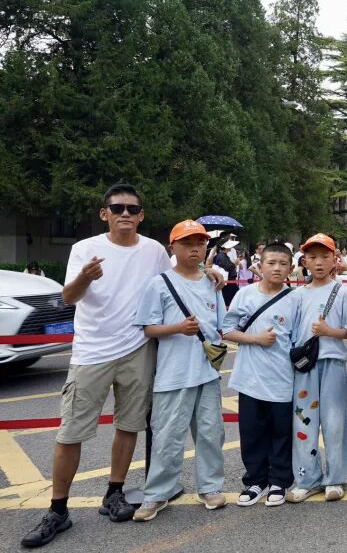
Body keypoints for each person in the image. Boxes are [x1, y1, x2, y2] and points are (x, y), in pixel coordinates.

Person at [21, 185, 219, 548]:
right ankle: (57, 509)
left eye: (132, 208)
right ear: (104, 213)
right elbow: (68, 297)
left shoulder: (153, 250)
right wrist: (85, 277)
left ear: (141, 215)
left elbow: (177, 274)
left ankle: (114, 492)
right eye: (117, 208)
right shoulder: (86, 249)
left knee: (128, 426)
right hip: (92, 352)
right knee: (71, 431)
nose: (125, 213)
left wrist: (210, 273)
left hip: (137, 349)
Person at [132, 220, 227, 521]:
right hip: (173, 374)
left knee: (211, 433)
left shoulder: (212, 283)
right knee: (167, 437)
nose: (195, 248)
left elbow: (221, 326)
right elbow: (148, 328)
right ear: (173, 248)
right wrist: (179, 328)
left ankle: (210, 487)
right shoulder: (159, 283)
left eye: (200, 243)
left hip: (207, 374)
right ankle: (157, 494)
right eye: (187, 243)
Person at [222, 242, 301, 508]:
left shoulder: (295, 299)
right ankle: (255, 481)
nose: (277, 268)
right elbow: (227, 331)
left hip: (282, 378)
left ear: (291, 267)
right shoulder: (246, 296)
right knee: (252, 432)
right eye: (272, 263)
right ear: (261, 265)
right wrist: (255, 338)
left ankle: (279, 479)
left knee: (281, 431)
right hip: (250, 378)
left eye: (283, 264)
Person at [285, 234, 347, 504]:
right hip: (305, 367)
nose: (319, 262)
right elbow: (290, 332)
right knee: (304, 422)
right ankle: (307, 479)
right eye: (312, 257)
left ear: (335, 259)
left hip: (333, 362)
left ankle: (336, 478)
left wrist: (329, 332)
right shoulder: (297, 294)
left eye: (325, 256)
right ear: (303, 261)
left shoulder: (343, 291)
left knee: (336, 423)